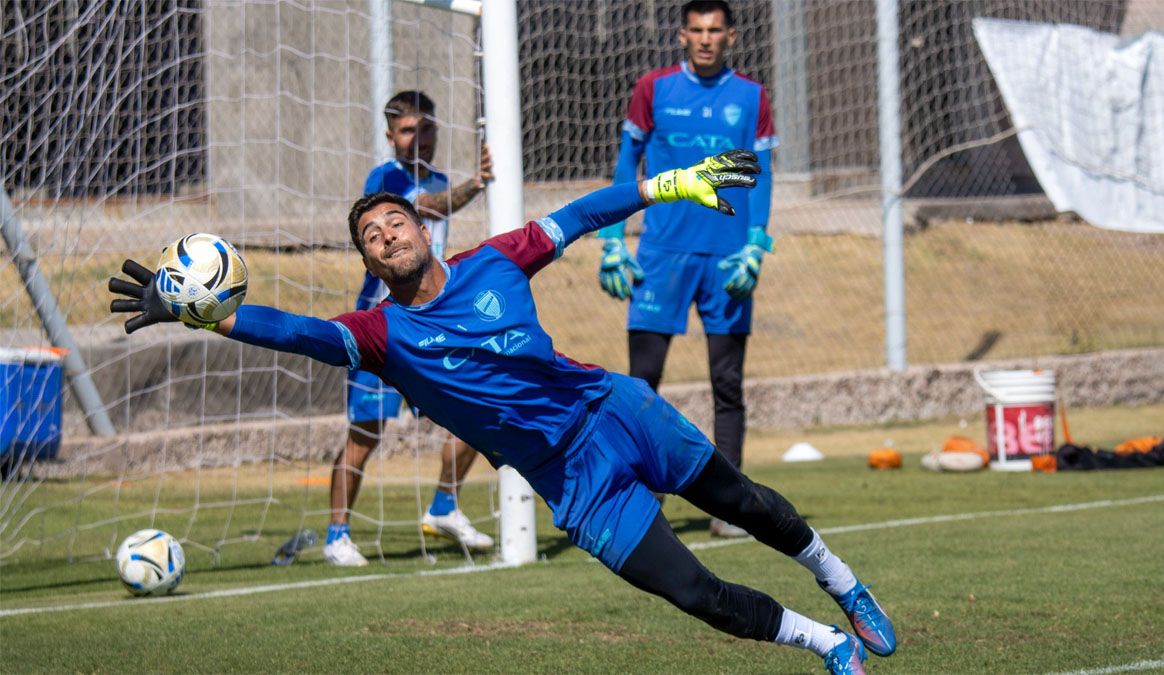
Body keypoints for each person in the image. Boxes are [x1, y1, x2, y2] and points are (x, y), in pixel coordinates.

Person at [109, 150, 894, 674]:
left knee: (745, 503)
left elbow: (583, 214)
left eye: (395, 223)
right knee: (693, 592)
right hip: (574, 482)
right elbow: (296, 332)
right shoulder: (380, 334)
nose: (387, 237)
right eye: (372, 238)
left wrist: (669, 184)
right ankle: (824, 642)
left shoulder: (497, 259)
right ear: (370, 265)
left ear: (423, 228)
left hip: (615, 410)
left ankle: (842, 582)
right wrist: (202, 313)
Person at [597, 0, 776, 538]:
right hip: (661, 256)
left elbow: (761, 174)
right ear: (681, 36)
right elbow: (626, 162)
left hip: (727, 260)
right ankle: (638, 500)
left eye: (714, 30)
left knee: (727, 384)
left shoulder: (751, 97)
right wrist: (612, 240)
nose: (705, 39)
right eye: (696, 30)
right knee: (641, 384)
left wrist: (755, 246)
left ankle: (733, 509)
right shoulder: (652, 88)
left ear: (731, 37)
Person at [330, 90, 495, 567]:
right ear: (390, 136)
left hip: (433, 323)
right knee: (365, 435)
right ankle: (337, 535)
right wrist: (478, 182)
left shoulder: (439, 176)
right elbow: (428, 206)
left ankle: (444, 506)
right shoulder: (384, 180)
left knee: (477, 408)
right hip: (383, 328)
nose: (418, 139)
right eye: (407, 130)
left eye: (425, 129)